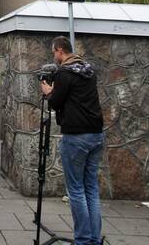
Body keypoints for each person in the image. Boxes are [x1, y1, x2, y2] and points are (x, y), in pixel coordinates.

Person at [40, 35, 104, 245]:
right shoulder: (88, 70)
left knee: (76, 190)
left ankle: (83, 240)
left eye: (54, 52)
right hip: (96, 134)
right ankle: (93, 240)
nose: (54, 56)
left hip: (76, 136)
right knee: (91, 189)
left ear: (59, 50)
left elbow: (56, 103)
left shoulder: (65, 73)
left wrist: (49, 92)